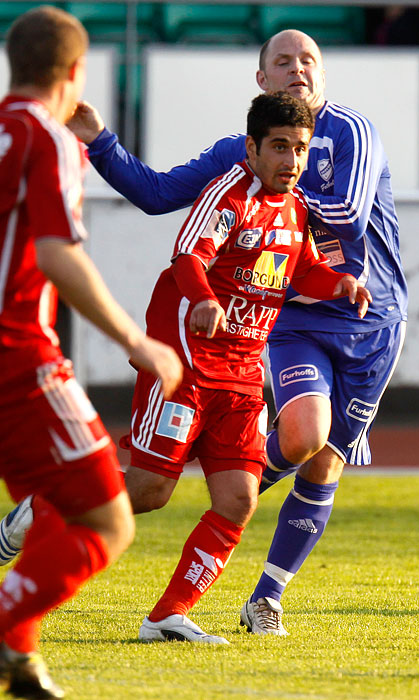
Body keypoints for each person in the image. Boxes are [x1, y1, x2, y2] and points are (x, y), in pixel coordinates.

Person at [1, 29, 408, 637]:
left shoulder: (348, 133)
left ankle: (184, 610)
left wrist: (332, 274)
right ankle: (37, 549)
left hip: (330, 333)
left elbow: (340, 221)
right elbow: (163, 202)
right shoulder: (237, 171)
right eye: (283, 61)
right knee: (152, 489)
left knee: (278, 479)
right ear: (261, 81)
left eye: (309, 60)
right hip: (207, 351)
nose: (298, 69)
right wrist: (103, 143)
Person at [123, 90, 371, 644]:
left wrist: (340, 283)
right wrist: (205, 299)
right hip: (186, 366)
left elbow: (303, 270)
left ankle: (167, 615)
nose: (291, 160)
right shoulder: (227, 193)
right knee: (149, 492)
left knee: (239, 498)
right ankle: (48, 510)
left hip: (240, 375)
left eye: (300, 149)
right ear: (253, 147)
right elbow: (188, 256)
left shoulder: (296, 207)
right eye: (279, 147)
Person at [0, 6, 182, 698]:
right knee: (106, 521)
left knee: (52, 509)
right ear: (75, 74)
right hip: (17, 358)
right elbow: (58, 257)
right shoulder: (47, 139)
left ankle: (18, 656)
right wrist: (139, 342)